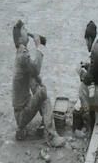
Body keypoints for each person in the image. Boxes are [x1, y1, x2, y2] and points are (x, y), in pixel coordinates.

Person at [8, 19, 64, 147]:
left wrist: (39, 83)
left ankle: (44, 122)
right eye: (25, 29)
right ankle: (51, 136)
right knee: (43, 93)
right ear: (20, 38)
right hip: (21, 114)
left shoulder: (21, 52)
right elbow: (36, 68)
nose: (28, 31)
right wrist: (39, 46)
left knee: (36, 82)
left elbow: (34, 73)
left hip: (22, 109)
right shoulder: (22, 55)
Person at [76, 19, 98, 135]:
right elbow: (95, 69)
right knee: (86, 89)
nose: (86, 44)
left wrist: (80, 72)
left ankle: (88, 125)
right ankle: (89, 119)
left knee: (82, 90)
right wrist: (87, 66)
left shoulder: (95, 51)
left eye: (86, 41)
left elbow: (88, 79)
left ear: (90, 39)